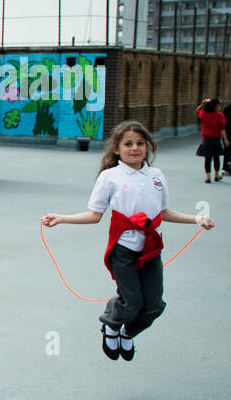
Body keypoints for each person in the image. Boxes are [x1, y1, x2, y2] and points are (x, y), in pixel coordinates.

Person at [41, 120, 214, 362]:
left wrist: (197, 219)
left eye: (140, 143)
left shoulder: (156, 176)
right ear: (116, 149)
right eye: (128, 144)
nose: (135, 148)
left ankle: (127, 332)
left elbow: (163, 212)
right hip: (123, 249)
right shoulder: (110, 177)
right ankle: (111, 324)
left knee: (153, 305)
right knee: (131, 302)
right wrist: (62, 218)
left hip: (151, 248)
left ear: (148, 146)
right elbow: (94, 215)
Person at [195, 97, 228, 183]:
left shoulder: (203, 114)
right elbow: (222, 129)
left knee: (207, 158)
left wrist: (203, 103)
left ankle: (208, 177)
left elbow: (197, 110)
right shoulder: (219, 116)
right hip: (216, 139)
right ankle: (216, 175)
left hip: (206, 140)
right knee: (216, 157)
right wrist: (226, 140)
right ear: (216, 106)